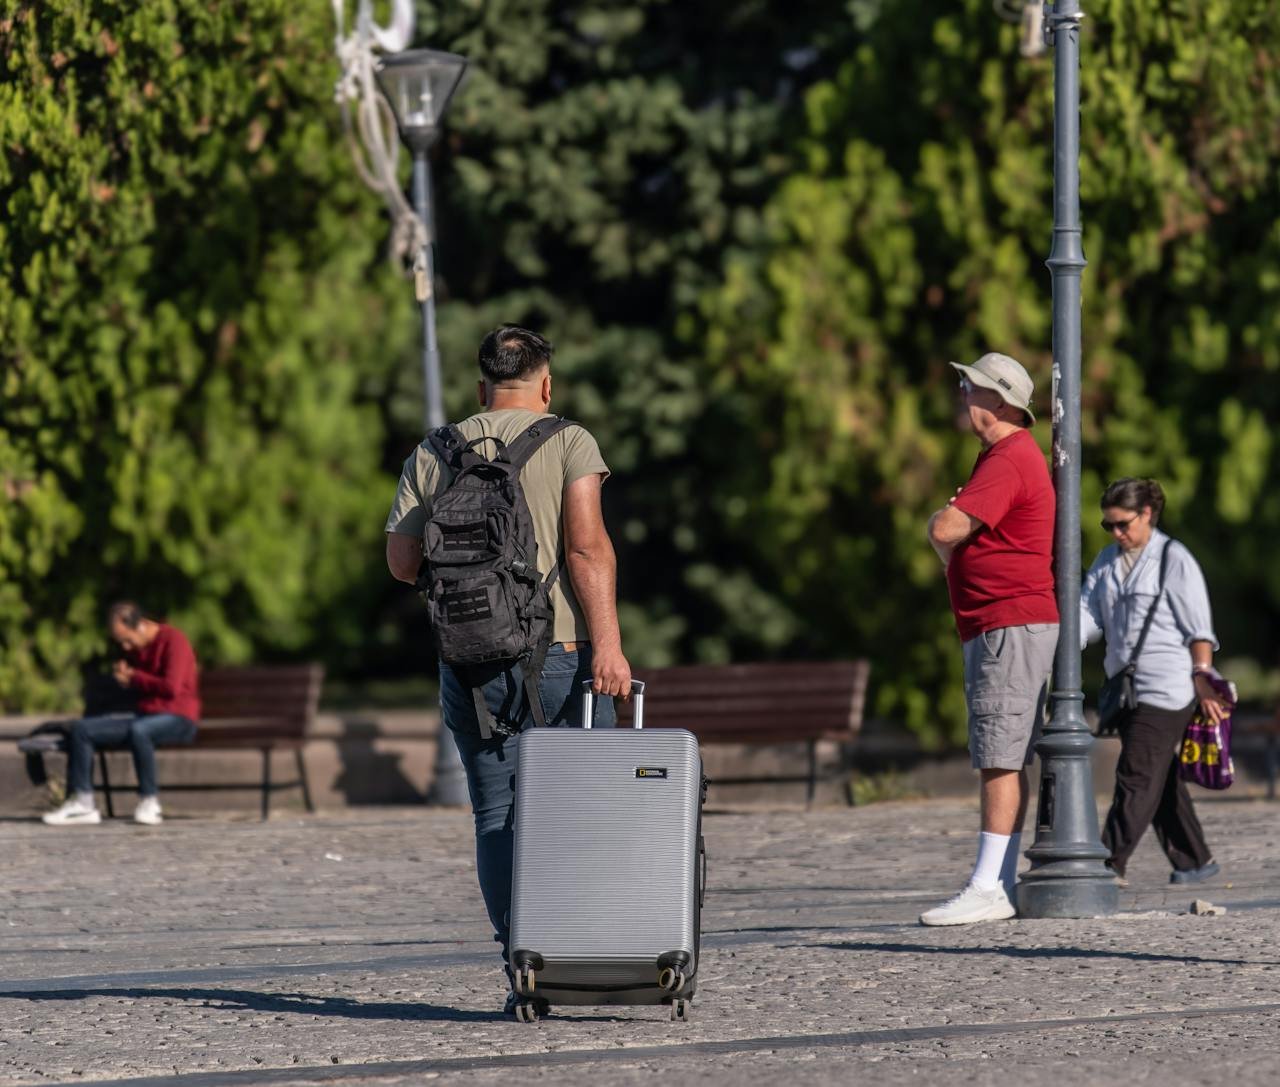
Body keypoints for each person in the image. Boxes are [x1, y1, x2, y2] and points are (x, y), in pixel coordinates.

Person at [384, 325, 631, 1008]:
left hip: (468, 662)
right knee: (584, 810)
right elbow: (586, 550)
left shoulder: (435, 450)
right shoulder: (567, 440)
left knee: (497, 814)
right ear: (546, 384)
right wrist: (607, 643)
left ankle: (522, 966)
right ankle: (583, 955)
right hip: (560, 657)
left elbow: (402, 563)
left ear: (479, 386)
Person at [920, 352, 1060, 926]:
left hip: (1008, 625)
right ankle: (996, 880)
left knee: (999, 756)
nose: (961, 393)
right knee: (1004, 753)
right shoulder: (1003, 458)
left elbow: (944, 529)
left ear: (998, 401)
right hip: (999, 624)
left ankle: (987, 887)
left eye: (968, 386)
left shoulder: (1008, 458)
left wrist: (944, 527)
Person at [1082, 477, 1224, 885]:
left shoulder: (1174, 559)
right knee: (1158, 777)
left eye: (1123, 524)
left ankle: (1107, 866)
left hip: (1167, 686)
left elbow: (1199, 627)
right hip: (1124, 688)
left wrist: (1202, 674)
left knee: (1136, 773)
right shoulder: (1107, 560)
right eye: (1108, 525)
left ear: (1146, 514)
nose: (1116, 533)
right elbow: (1088, 615)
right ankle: (1194, 860)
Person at [43, 602, 200, 827]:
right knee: (81, 730)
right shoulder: (136, 650)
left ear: (141, 625)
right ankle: (83, 804)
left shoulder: (174, 640)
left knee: (140, 730)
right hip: (145, 715)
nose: (126, 647)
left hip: (178, 717)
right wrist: (124, 679)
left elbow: (171, 688)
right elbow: (143, 689)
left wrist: (134, 678)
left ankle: (149, 801)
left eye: (127, 639)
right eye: (121, 642)